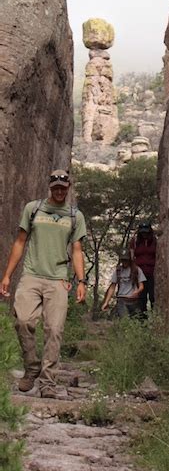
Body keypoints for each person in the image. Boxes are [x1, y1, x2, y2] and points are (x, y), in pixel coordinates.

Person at [0, 169, 87, 398]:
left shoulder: (74, 215)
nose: (59, 191)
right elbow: (20, 242)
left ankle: (48, 383)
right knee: (23, 321)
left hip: (58, 279)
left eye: (63, 188)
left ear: (68, 188)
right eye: (55, 188)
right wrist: (8, 275)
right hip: (31, 275)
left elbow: (77, 250)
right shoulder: (33, 209)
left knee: (54, 330)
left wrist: (81, 281)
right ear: (50, 187)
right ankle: (32, 367)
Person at [101, 248, 145, 318]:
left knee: (135, 321)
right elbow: (112, 287)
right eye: (123, 260)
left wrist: (137, 292)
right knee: (124, 320)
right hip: (122, 300)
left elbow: (141, 286)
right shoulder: (118, 271)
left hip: (133, 301)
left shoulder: (137, 270)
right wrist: (106, 302)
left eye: (126, 260)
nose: (124, 262)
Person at [130, 222, 156, 315]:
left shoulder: (154, 241)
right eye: (142, 232)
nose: (144, 234)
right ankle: (142, 321)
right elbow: (132, 257)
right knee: (141, 298)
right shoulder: (135, 241)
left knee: (153, 297)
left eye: (146, 232)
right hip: (139, 274)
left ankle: (155, 318)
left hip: (152, 273)